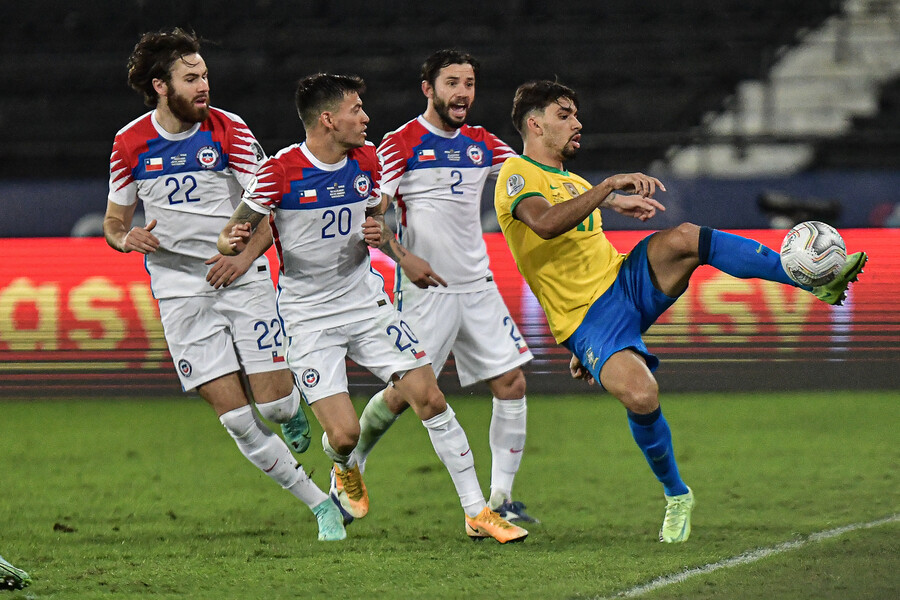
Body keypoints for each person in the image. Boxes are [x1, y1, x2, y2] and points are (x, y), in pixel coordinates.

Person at [494, 79, 868, 543]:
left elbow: (573, 211)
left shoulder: (571, 181)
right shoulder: (516, 173)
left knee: (686, 237)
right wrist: (609, 189)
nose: (578, 123)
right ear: (535, 123)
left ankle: (811, 277)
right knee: (642, 396)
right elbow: (546, 224)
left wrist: (611, 199)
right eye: (565, 114)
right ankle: (677, 495)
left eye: (575, 114)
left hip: (624, 282)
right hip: (587, 321)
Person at [217, 73, 528, 543]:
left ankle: (476, 511)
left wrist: (387, 242)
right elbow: (242, 227)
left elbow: (373, 216)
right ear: (327, 119)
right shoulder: (279, 172)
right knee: (342, 437)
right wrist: (232, 244)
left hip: (367, 303)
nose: (366, 118)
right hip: (309, 318)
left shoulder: (366, 159)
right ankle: (343, 467)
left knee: (430, 397)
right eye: (356, 110)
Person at [103, 28, 345, 542]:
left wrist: (241, 260)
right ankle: (322, 506)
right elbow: (113, 223)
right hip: (178, 289)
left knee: (276, 406)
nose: (204, 85)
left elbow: (269, 203)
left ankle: (291, 407)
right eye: (191, 78)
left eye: (205, 75)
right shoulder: (129, 143)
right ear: (161, 86)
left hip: (241, 277)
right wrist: (128, 240)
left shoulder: (228, 129)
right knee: (236, 420)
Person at [354, 49, 537, 523]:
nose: (463, 93)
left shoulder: (484, 144)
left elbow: (533, 180)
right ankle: (351, 461)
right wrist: (402, 258)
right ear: (428, 89)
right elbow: (371, 216)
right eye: (452, 82)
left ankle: (501, 499)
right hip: (425, 290)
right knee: (405, 395)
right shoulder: (400, 143)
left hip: (477, 285)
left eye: (470, 83)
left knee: (512, 382)